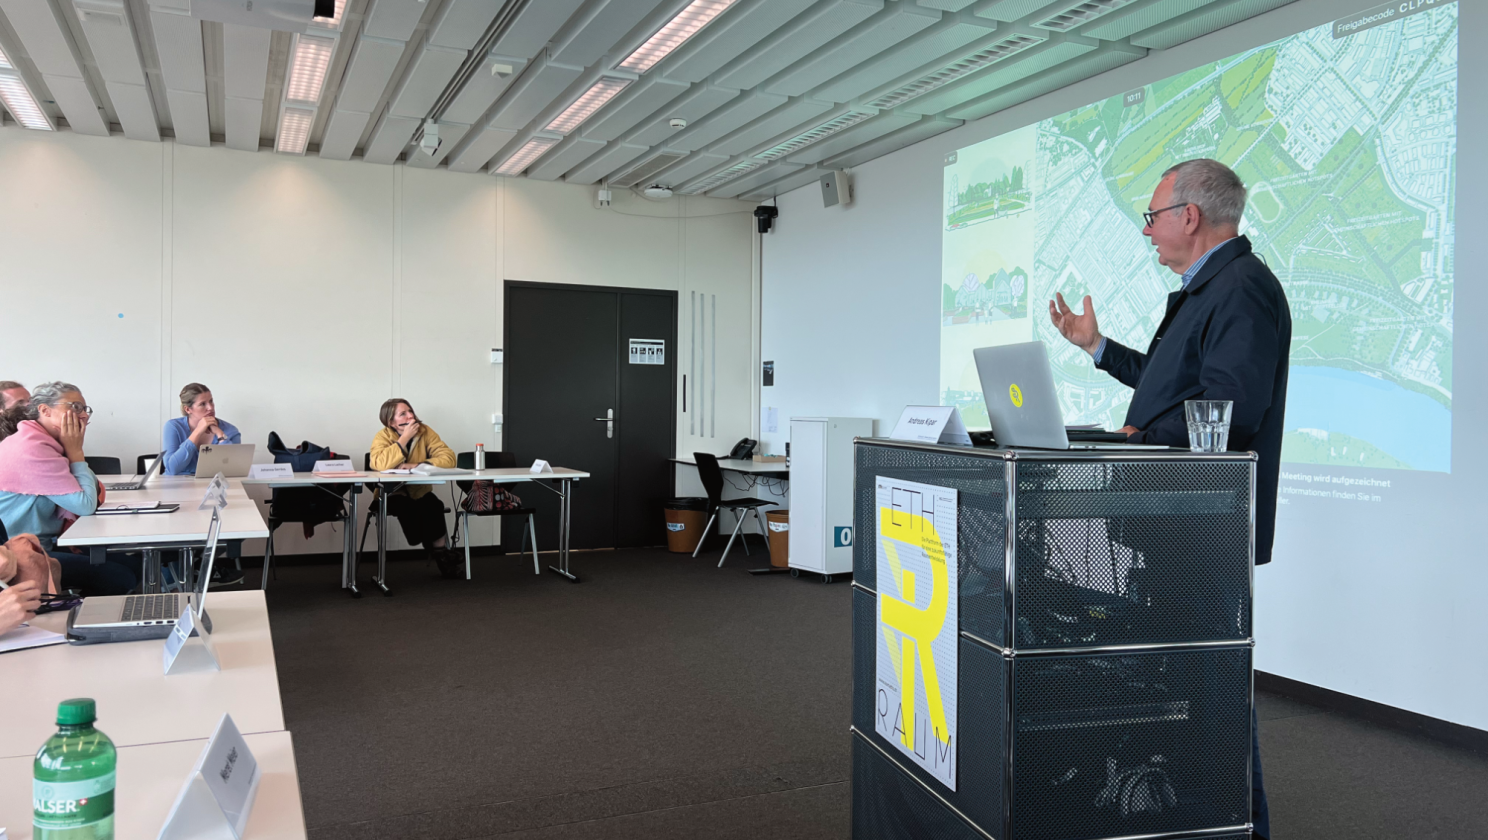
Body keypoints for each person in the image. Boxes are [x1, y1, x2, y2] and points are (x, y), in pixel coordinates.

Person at [1048, 158, 1288, 840]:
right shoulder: (1207, 288)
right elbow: (1168, 383)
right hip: (1178, 521)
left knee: (1213, 699)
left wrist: (1141, 435)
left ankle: (1242, 828)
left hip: (1204, 526)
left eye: (1151, 216)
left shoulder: (1240, 288)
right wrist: (1097, 348)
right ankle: (1193, 817)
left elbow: (1231, 412)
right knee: (1183, 693)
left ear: (1189, 215)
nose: (1146, 230)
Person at [0, 382, 138, 595]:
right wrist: (76, 452)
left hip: (50, 541)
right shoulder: (31, 448)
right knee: (120, 576)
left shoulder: (47, 441)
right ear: (45, 410)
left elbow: (95, 490)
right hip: (22, 553)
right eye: (74, 407)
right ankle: (82, 624)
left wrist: (73, 449)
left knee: (136, 564)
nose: (83, 415)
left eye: (85, 409)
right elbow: (85, 505)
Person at [369, 399, 461, 578]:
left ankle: (441, 555)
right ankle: (426, 543)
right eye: (403, 414)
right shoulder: (383, 436)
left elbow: (449, 458)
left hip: (419, 490)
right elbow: (378, 464)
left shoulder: (425, 431)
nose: (410, 416)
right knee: (407, 506)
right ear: (391, 422)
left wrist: (416, 464)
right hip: (391, 493)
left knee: (434, 505)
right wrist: (404, 439)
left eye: (410, 411)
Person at [162, 383, 241, 476]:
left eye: (211, 401)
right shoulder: (173, 426)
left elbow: (233, 469)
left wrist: (220, 434)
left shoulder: (230, 430)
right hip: (176, 485)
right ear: (188, 409)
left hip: (212, 486)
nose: (210, 407)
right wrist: (198, 431)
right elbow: (172, 469)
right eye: (202, 404)